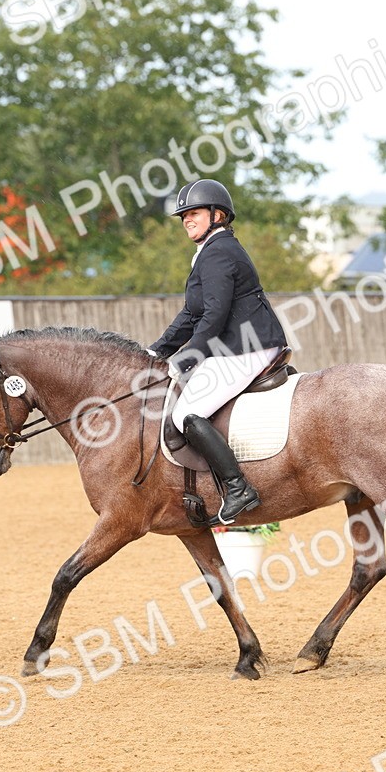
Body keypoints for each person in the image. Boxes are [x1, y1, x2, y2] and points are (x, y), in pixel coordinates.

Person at [149, 179, 288, 525]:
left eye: (193, 213)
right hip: (235, 345)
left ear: (218, 214)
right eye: (183, 216)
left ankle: (238, 488)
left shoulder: (219, 252)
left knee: (186, 414)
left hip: (247, 346)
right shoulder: (210, 252)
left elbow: (214, 316)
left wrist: (187, 357)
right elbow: (192, 314)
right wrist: (158, 349)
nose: (187, 220)